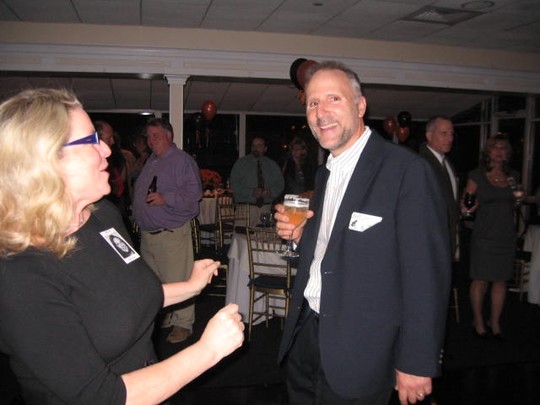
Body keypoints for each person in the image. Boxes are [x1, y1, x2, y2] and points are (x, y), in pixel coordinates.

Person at [0, 88, 244, 404]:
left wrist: (190, 287)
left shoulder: (103, 216)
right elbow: (103, 396)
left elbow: (129, 295)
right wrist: (208, 350)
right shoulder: (19, 272)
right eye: (91, 141)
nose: (106, 148)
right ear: (46, 161)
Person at [274, 61, 451, 405]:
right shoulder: (325, 173)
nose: (320, 112)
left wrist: (416, 361)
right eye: (313, 103)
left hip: (361, 350)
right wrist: (301, 236)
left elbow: (426, 276)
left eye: (333, 99)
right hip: (306, 334)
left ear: (360, 106)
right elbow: (335, 248)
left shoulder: (405, 171)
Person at [132, 118, 203, 344]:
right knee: (156, 282)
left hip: (171, 233)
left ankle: (183, 324)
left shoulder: (181, 160)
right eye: (149, 137)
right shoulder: (152, 161)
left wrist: (166, 198)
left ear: (169, 135)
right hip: (148, 234)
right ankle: (168, 316)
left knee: (178, 280)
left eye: (156, 136)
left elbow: (194, 194)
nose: (151, 140)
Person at [462, 134, 520, 340]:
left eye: (503, 148)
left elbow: (516, 201)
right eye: (495, 147)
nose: (499, 151)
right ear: (488, 151)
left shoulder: (513, 176)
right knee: (480, 279)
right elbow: (466, 205)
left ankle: (494, 322)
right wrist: (467, 209)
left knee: (501, 280)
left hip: (506, 236)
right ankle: (478, 321)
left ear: (507, 153)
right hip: (484, 236)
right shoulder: (477, 175)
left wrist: (520, 199)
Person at [419, 116, 459, 259]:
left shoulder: (447, 163)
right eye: (444, 133)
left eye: (451, 134)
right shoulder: (420, 163)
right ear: (429, 136)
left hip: (446, 237)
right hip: (430, 239)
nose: (450, 138)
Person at [230, 135, 284, 224]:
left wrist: (270, 192)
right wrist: (251, 192)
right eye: (253, 145)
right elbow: (234, 184)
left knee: (264, 233)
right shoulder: (241, 164)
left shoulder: (272, 165)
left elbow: (280, 184)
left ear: (265, 148)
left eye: (259, 145)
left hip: (265, 209)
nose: (255, 148)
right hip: (245, 209)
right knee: (242, 233)